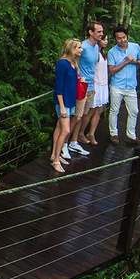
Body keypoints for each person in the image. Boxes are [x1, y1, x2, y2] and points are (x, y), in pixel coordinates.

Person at [106, 26, 140, 145]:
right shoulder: (112, 52)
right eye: (119, 38)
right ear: (115, 39)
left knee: (134, 111)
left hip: (131, 86)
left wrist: (134, 61)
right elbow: (112, 70)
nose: (122, 40)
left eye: (124, 37)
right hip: (117, 86)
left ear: (127, 36)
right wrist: (125, 61)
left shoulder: (135, 47)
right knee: (114, 110)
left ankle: (131, 135)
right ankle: (113, 134)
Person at [70, 21, 104, 153]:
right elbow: (73, 62)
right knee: (76, 116)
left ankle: (74, 141)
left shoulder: (96, 47)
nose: (101, 34)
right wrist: (78, 78)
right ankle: (64, 144)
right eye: (99, 31)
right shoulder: (83, 47)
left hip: (91, 86)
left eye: (102, 31)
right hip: (81, 86)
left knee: (83, 116)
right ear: (90, 32)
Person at [50, 39, 81, 173]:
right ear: (71, 49)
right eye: (78, 47)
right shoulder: (62, 63)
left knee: (59, 127)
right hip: (63, 102)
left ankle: (54, 154)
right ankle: (56, 160)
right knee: (66, 130)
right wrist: (62, 107)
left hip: (70, 100)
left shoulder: (73, 63)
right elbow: (59, 87)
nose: (81, 50)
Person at [87, 36, 109, 144]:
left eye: (107, 40)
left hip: (103, 84)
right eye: (104, 39)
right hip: (95, 84)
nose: (106, 42)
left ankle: (91, 133)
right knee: (90, 111)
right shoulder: (94, 53)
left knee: (99, 110)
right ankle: (81, 132)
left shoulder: (103, 53)